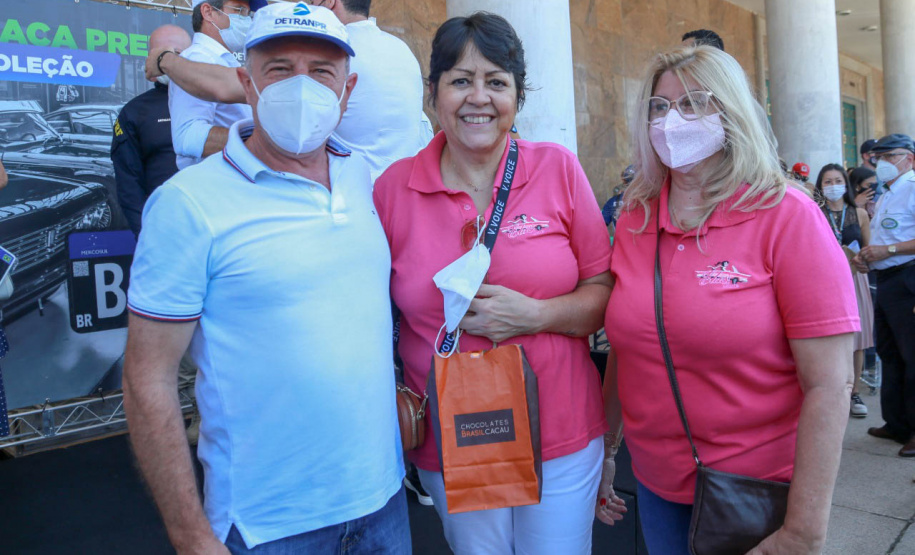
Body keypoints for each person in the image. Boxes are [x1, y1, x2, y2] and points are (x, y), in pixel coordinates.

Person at [123, 4, 408, 553]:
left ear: (347, 92)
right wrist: (190, 537)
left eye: (322, 72)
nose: (301, 88)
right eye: (279, 69)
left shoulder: (367, 182)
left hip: (384, 505)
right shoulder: (187, 205)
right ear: (245, 84)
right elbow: (146, 379)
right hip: (264, 527)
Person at [597, 45, 858, 555]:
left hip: (755, 493)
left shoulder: (787, 216)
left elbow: (830, 383)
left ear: (730, 112)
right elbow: (627, 348)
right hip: (655, 485)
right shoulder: (635, 218)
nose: (673, 119)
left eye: (694, 102)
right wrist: (607, 450)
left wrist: (803, 531)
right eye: (660, 106)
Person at [373, 13, 613, 554]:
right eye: (460, 80)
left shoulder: (558, 170)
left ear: (517, 97)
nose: (477, 97)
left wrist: (537, 316)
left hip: (561, 429)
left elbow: (603, 291)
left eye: (496, 82)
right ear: (431, 92)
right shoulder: (392, 191)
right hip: (453, 434)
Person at [147, 0, 431, 181]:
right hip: (391, 199)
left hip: (344, 195)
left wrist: (165, 60)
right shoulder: (401, 50)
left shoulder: (337, 53)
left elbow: (224, 85)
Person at [852, 133, 915, 458]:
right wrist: (870, 258)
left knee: (912, 355)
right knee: (890, 353)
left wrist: (886, 250)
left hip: (909, 277)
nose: (884, 163)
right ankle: (897, 422)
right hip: (888, 279)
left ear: (910, 158)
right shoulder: (890, 191)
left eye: (892, 156)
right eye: (880, 157)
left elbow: (897, 242)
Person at [112, 25, 192, 235]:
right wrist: (147, 236)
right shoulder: (135, 112)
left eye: (176, 54)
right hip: (167, 230)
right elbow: (129, 186)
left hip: (221, 226)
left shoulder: (219, 98)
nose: (167, 61)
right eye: (159, 55)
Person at [169, 0, 264, 169]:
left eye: (247, 14)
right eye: (239, 10)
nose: (247, 20)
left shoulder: (224, 60)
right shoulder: (198, 59)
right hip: (212, 186)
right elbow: (188, 137)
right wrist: (262, 144)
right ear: (208, 12)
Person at [815, 163, 874, 418]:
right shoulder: (814, 211)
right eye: (827, 182)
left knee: (857, 339)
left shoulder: (858, 213)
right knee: (825, 334)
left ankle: (854, 391)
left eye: (837, 180)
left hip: (853, 277)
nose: (832, 186)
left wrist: (862, 259)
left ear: (846, 184)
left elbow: (869, 249)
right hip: (822, 278)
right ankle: (827, 388)